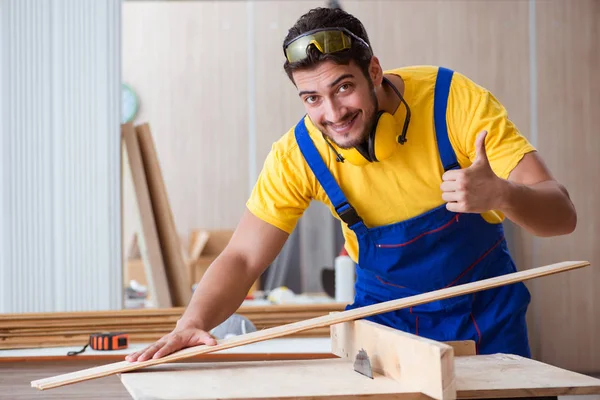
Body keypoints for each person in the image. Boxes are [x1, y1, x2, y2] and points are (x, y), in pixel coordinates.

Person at [126, 7, 576, 363]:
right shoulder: (298, 154)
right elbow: (242, 257)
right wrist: (192, 321)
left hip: (487, 325)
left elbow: (562, 215)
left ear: (374, 71)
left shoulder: (452, 101)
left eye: (344, 87)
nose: (333, 113)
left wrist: (502, 193)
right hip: (385, 335)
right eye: (312, 98)